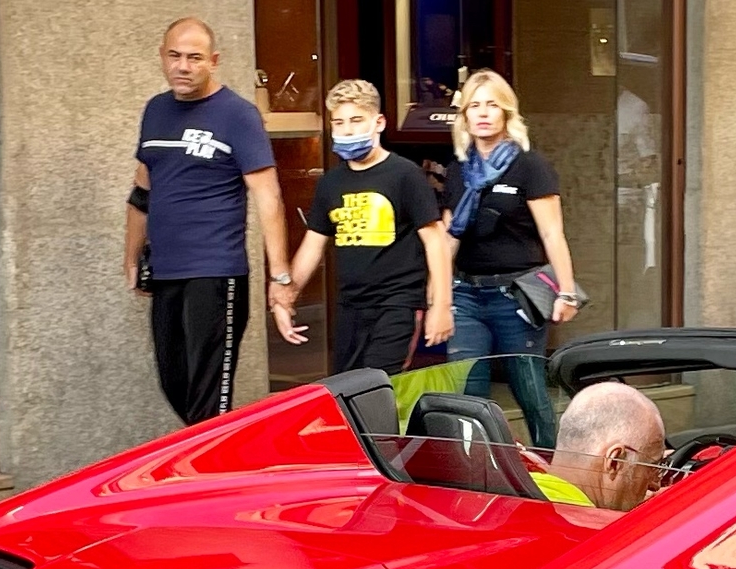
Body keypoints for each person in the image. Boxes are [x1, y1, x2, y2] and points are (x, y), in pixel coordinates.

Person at [126, 17, 292, 425]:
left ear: (213, 61)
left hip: (217, 274)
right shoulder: (156, 110)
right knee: (174, 384)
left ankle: (215, 481)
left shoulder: (237, 115)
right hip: (167, 271)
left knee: (208, 401)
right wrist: (131, 259)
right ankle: (230, 469)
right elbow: (140, 193)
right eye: (175, 56)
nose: (183, 66)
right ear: (162, 56)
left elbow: (268, 197)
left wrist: (281, 277)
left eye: (195, 58)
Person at [273, 80, 453, 375]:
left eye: (356, 120)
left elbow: (435, 241)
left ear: (378, 122)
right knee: (348, 392)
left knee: (380, 388)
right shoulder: (330, 183)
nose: (347, 130)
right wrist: (285, 297)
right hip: (350, 306)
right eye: (339, 122)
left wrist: (441, 307)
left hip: (397, 304)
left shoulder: (405, 175)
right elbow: (313, 244)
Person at [444, 69, 581, 448]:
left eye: (492, 104)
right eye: (475, 105)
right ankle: (477, 468)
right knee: (467, 389)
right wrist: (436, 295)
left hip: (515, 296)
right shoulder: (458, 171)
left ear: (506, 112)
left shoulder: (529, 165)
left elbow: (552, 233)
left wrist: (566, 291)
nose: (483, 113)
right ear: (465, 115)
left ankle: (553, 465)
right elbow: (447, 238)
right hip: (466, 294)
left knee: (529, 390)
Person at [530, 382, 666, 512]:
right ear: (615, 462)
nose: (655, 486)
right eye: (652, 468)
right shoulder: (589, 529)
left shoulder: (519, 489)